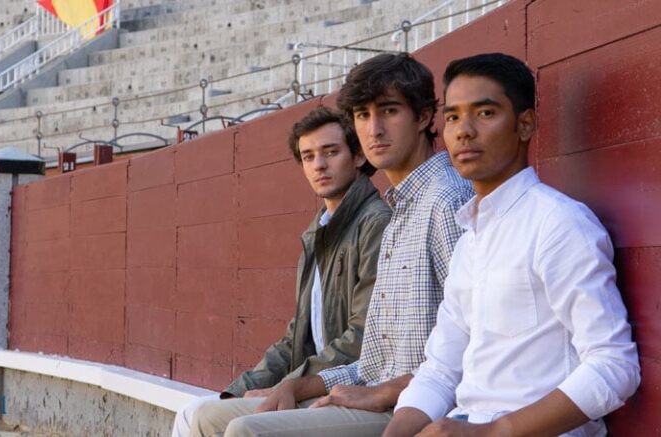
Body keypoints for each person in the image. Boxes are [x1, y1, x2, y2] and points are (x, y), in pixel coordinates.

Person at [191, 53, 473, 437]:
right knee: (207, 417)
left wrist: (380, 391)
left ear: (424, 117)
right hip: (374, 393)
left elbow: (476, 345)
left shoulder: (447, 202)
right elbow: (374, 361)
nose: (374, 129)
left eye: (388, 111)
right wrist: (297, 384)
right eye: (361, 116)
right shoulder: (399, 210)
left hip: (416, 408)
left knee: (247, 430)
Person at [383, 52, 641, 437]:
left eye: (485, 113)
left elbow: (614, 366)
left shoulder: (557, 223)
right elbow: (439, 371)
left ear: (524, 125)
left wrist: (492, 433)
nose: (463, 131)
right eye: (453, 116)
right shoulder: (470, 240)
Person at [171, 107, 391, 436]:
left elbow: (362, 336)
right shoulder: (317, 233)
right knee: (196, 412)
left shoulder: (375, 223)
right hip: (315, 387)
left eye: (331, 152)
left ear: (358, 156)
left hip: (355, 388)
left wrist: (290, 386)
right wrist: (240, 389)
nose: (319, 165)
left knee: (237, 426)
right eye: (308, 156)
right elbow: (294, 339)